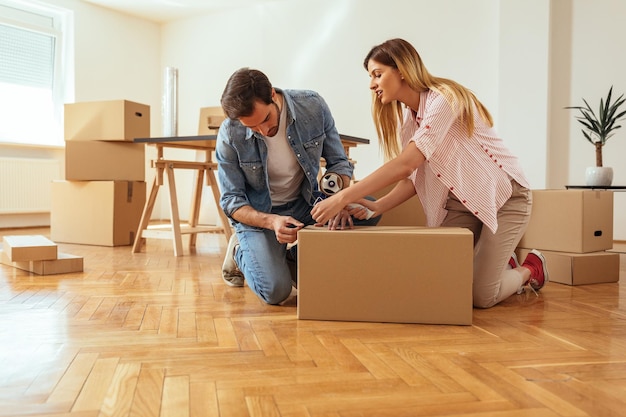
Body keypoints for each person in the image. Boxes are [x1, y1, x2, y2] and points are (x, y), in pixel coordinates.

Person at [311, 38, 549, 309]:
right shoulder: (408, 120)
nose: (371, 84)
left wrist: (341, 198)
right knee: (440, 279)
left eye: (377, 74)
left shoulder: (444, 100)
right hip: (462, 203)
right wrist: (376, 207)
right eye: (370, 77)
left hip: (506, 198)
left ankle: (531, 268)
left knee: (480, 296)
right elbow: (413, 179)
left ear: (401, 69)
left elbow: (407, 163)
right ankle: (496, 261)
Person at [216, 67, 380, 305]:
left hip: (306, 203)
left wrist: (338, 200)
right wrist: (272, 222)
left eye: (265, 120)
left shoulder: (312, 106)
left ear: (272, 94)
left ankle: (289, 256)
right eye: (253, 128)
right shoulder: (230, 133)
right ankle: (240, 252)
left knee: (370, 209)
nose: (263, 131)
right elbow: (232, 201)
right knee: (275, 292)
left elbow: (339, 164)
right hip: (261, 215)